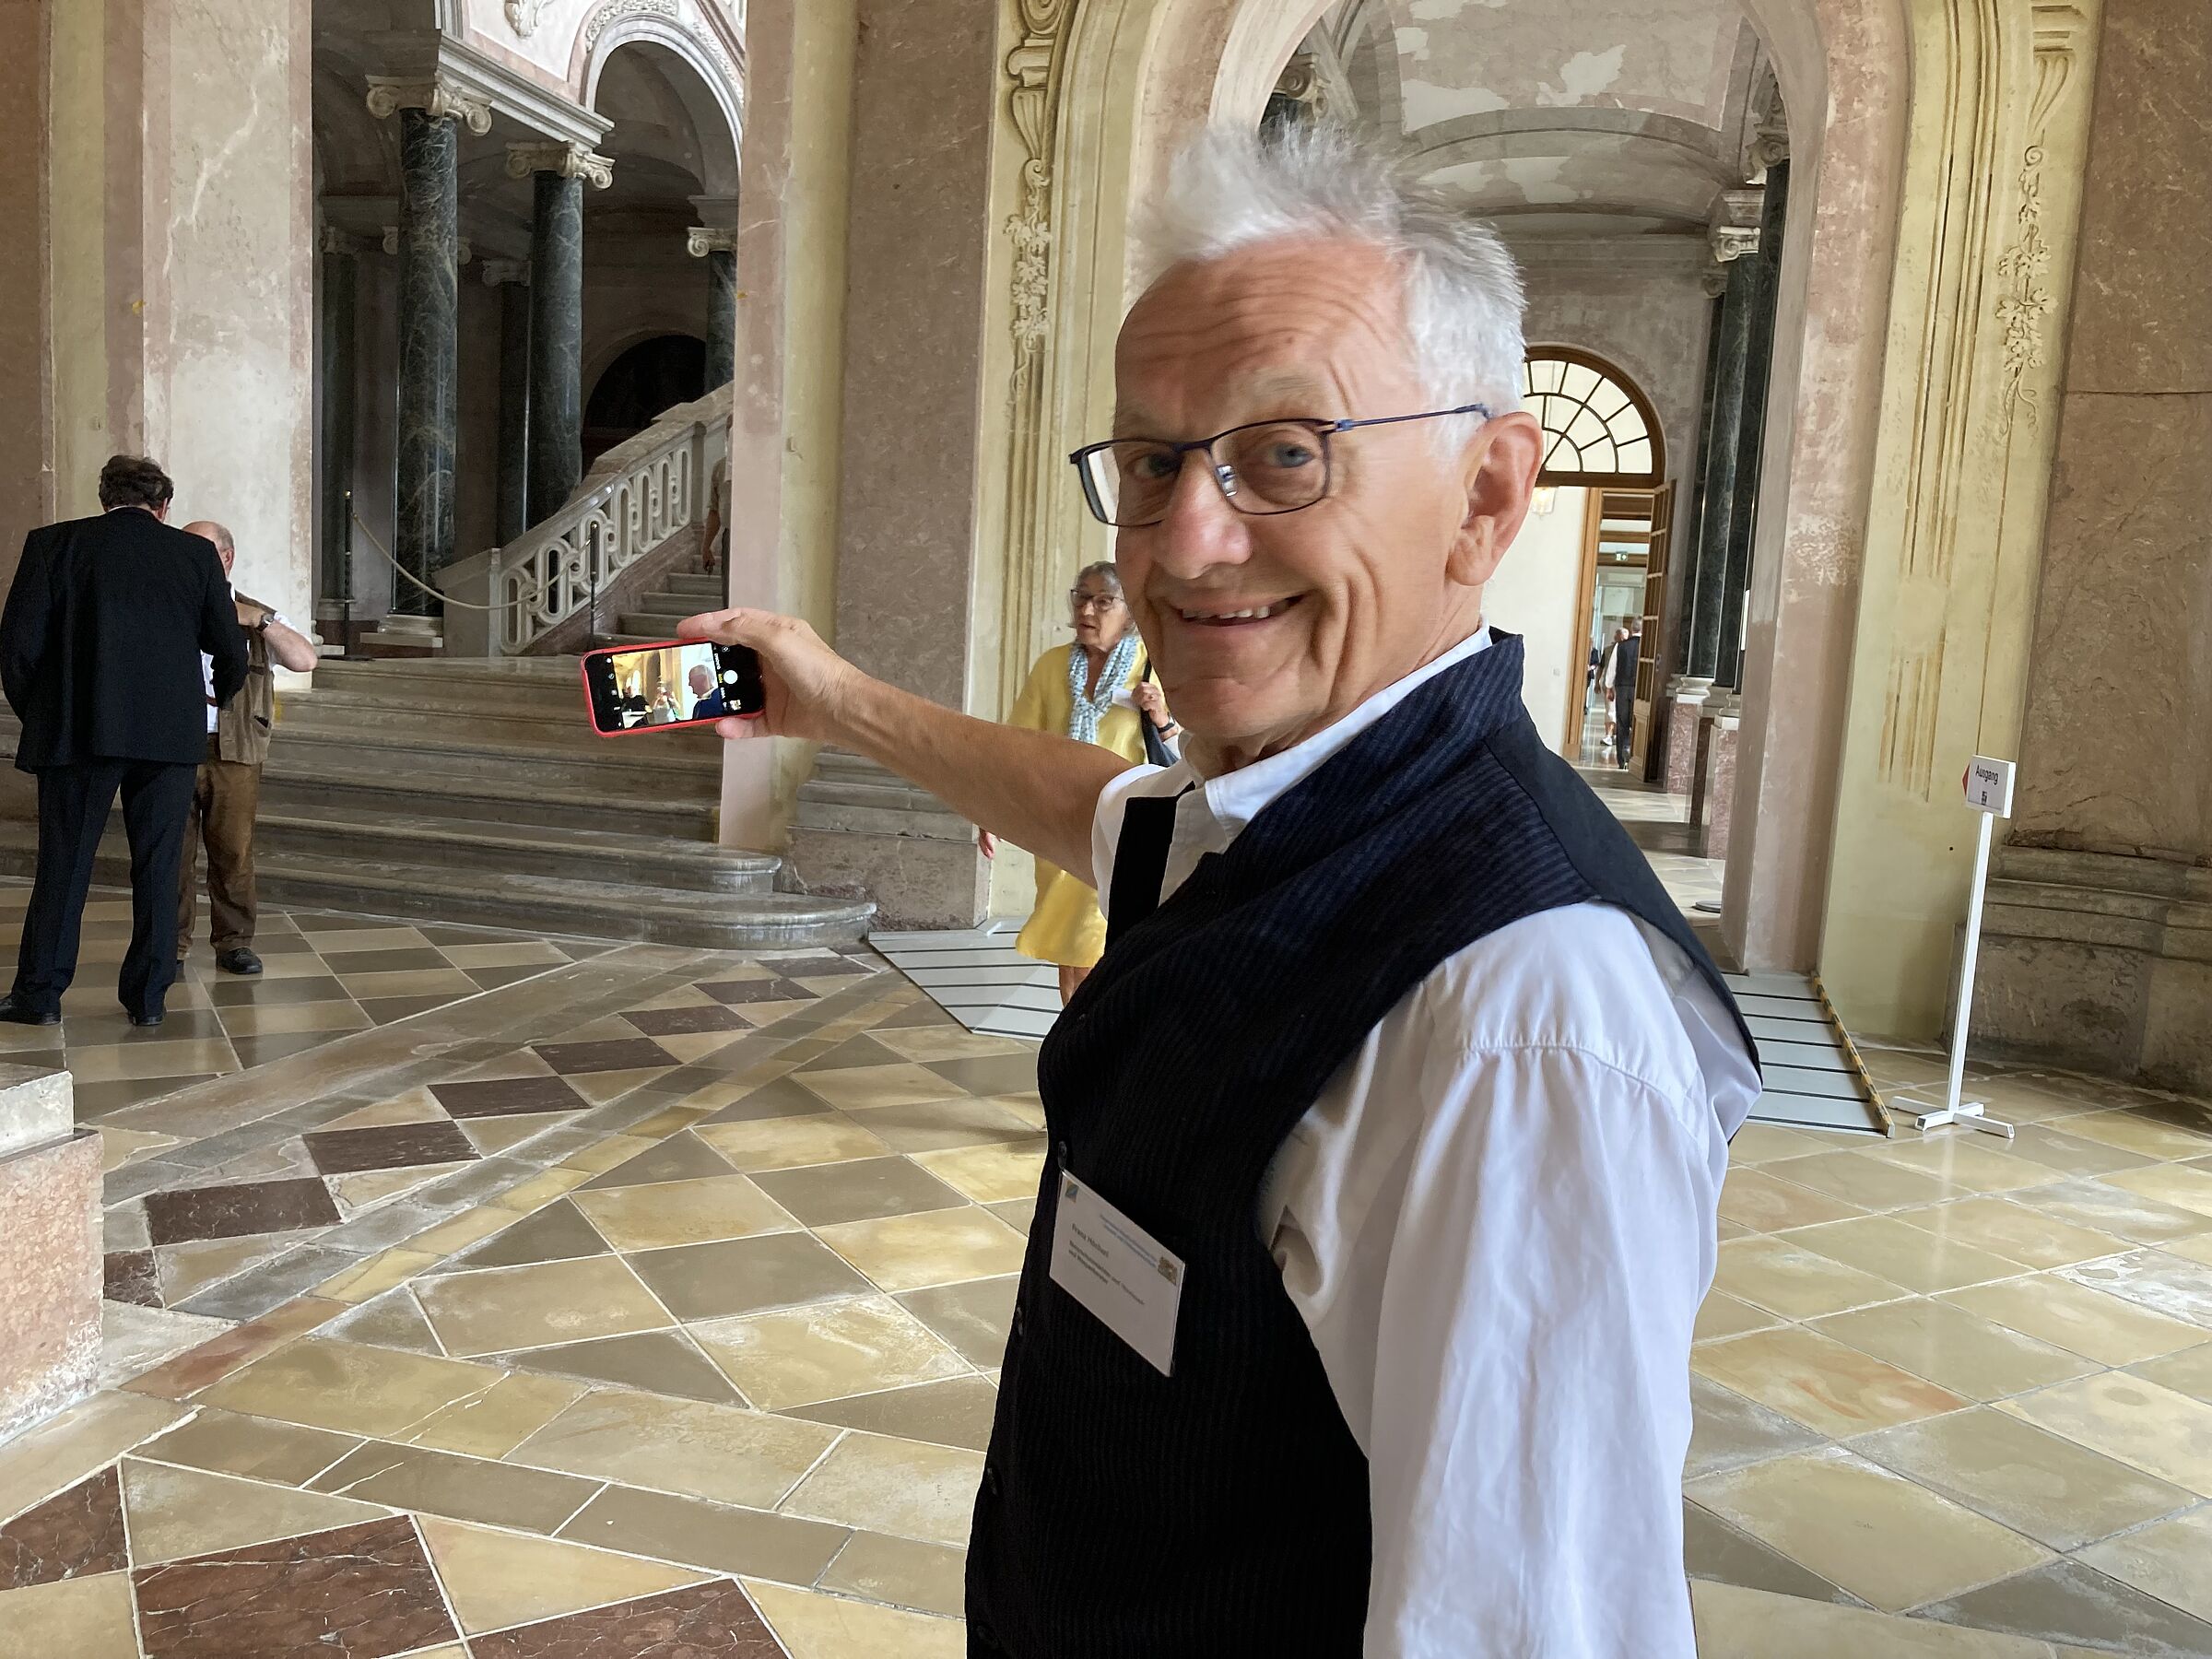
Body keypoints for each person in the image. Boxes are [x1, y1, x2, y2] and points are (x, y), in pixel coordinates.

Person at [679, 126, 1757, 1657]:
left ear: (1487, 495)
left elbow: (1529, 1630)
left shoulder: (1520, 1025)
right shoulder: (1295, 807)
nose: (1184, 544)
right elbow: (1103, 809)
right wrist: (833, 700)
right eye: (1152, 462)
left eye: (1284, 453)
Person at [0, 456, 247, 1028]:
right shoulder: (192, 555)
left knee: (64, 866)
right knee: (160, 869)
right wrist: (213, 701)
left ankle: (39, 996)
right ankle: (148, 999)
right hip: (168, 736)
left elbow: (15, 648)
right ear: (164, 507)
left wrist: (43, 713)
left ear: (104, 497)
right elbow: (229, 648)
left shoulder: (53, 545)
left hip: (79, 732)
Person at [983, 562, 1177, 1003]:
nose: (1087, 609)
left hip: (1123, 827)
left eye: (1103, 600)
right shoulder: (1052, 666)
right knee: (1073, 947)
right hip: (1058, 823)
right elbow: (1019, 742)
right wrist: (990, 810)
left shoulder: (1153, 669)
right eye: (1081, 598)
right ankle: (1076, 1030)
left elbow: (1189, 752)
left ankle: (1090, 1035)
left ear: (1129, 612)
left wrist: (1161, 716)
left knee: (1096, 934)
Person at [174, 521, 319, 976]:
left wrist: (258, 620)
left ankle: (234, 942)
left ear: (227, 558)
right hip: (172, 744)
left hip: (234, 746)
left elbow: (304, 659)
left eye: (202, 552)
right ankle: (170, 945)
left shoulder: (256, 612)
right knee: (170, 855)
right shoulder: (164, 605)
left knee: (233, 851)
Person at [1605, 617, 1641, 768]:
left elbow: (1612, 668)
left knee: (1622, 723)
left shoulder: (1620, 646)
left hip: (1622, 687)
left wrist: (1609, 687)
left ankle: (1622, 759)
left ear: (1632, 629)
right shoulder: (1647, 647)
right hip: (1639, 690)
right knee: (1638, 723)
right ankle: (1637, 756)